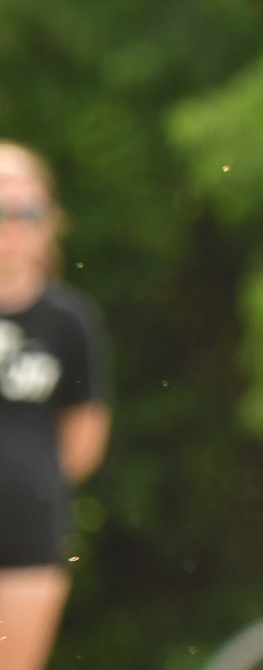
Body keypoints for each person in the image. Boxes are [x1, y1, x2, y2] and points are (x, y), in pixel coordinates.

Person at [0, 144, 110, 670]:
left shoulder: (68, 320)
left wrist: (30, 483)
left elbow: (84, 438)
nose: (14, 226)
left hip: (28, 534)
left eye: (29, 212)